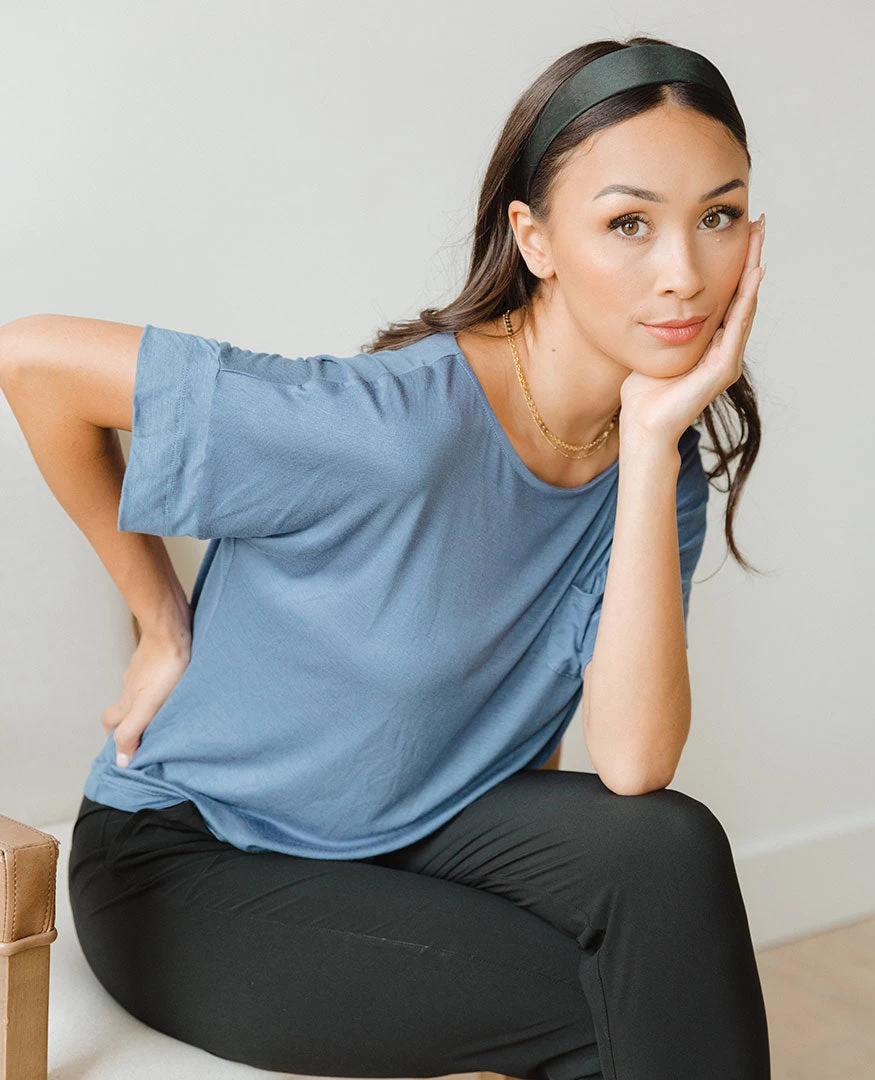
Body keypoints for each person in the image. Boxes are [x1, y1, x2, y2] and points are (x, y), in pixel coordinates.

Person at [0, 34, 770, 1080]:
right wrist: (158, 617)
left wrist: (647, 447)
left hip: (416, 820)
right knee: (617, 1003)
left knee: (669, 851)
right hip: (196, 860)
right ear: (534, 239)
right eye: (628, 223)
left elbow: (634, 766)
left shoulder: (659, 472)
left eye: (717, 217)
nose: (683, 274)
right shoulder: (390, 426)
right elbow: (32, 361)